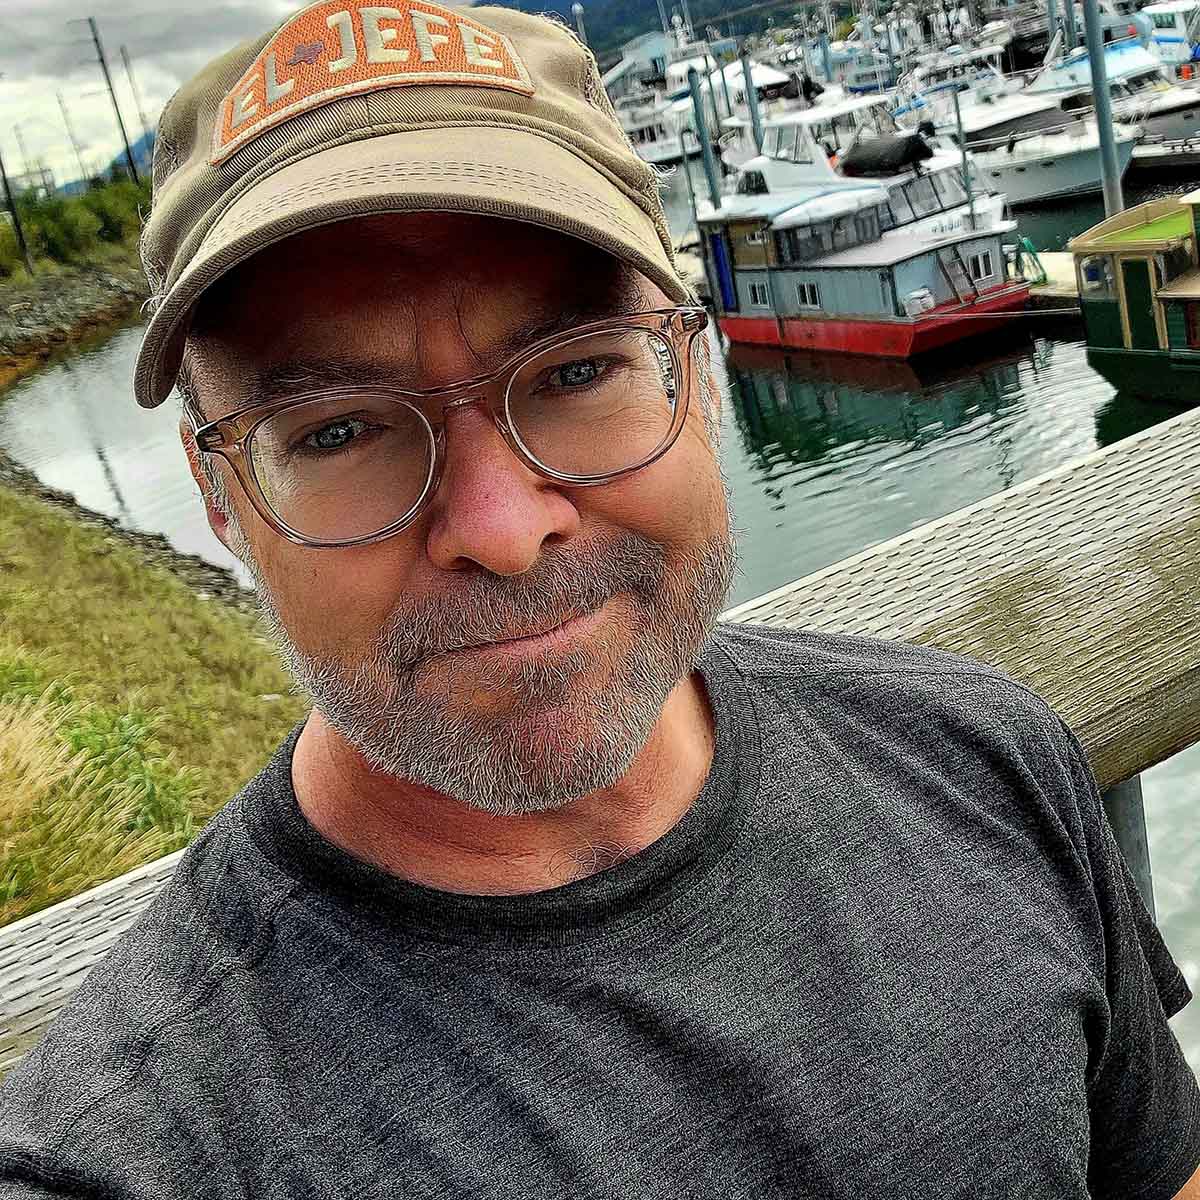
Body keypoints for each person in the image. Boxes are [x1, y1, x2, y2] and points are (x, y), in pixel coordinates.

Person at [1, 2, 1199, 1196]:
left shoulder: (982, 753)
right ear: (222, 500)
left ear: (697, 368)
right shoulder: (132, 1155)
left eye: (576, 373)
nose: (505, 531)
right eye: (342, 430)